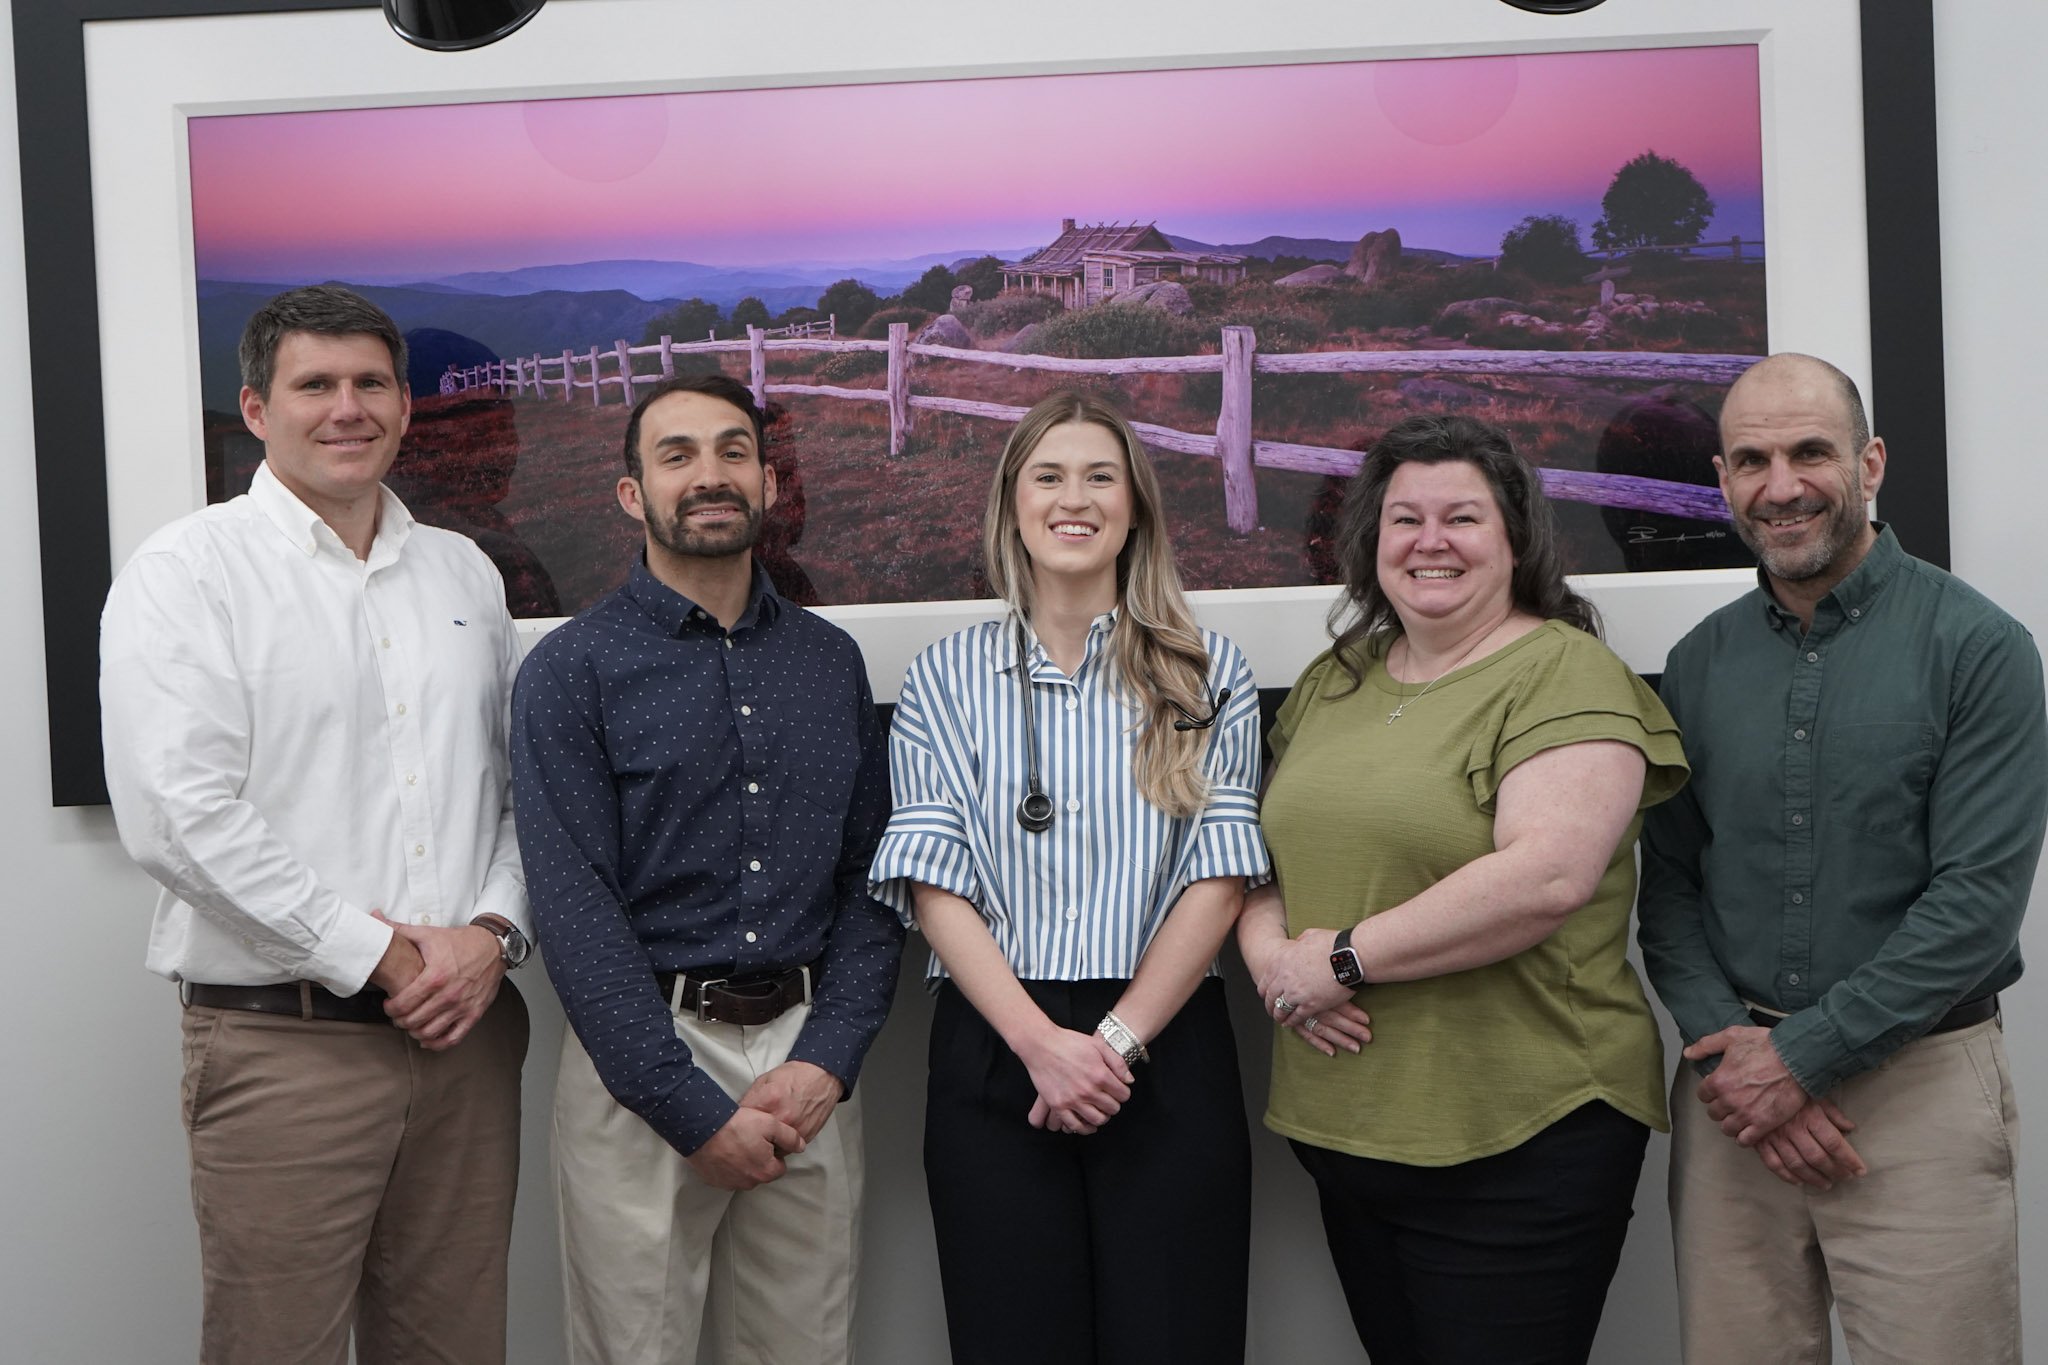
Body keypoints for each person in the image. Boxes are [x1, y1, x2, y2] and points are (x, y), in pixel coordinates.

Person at [100, 284, 533, 1365]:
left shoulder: (464, 574)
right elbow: (176, 816)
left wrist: (494, 934)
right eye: (315, 385)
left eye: (370, 383)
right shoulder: (184, 574)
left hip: (468, 1042)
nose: (348, 408)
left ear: (403, 405)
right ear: (256, 408)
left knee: (455, 1349)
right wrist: (380, 954)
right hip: (282, 1044)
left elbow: (523, 790)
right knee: (273, 1350)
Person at [1243, 413, 1689, 1365]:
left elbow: (1546, 876)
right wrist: (1279, 963)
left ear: (1517, 537)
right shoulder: (1338, 677)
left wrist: (1344, 959)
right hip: (1353, 1130)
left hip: (1521, 1134)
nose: (1430, 541)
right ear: (1371, 539)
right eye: (1405, 518)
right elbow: (1255, 856)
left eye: (1462, 517)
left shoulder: (1567, 673)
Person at [1636, 352, 2047, 1365]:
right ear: (1723, 482)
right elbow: (1670, 891)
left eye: (1808, 452)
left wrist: (1798, 1061)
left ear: (1867, 464)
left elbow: (1973, 907)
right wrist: (1740, 1060)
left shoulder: (1979, 649)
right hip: (1728, 1088)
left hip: (1918, 1089)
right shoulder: (1695, 664)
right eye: (1750, 460)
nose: (1780, 487)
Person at [869, 391, 1270, 1364]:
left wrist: (1115, 1044)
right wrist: (1039, 1047)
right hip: (996, 1048)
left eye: (1100, 476)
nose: (1072, 498)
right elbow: (935, 886)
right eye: (1047, 476)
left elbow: (1216, 880)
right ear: (1012, 502)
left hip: (1166, 1053)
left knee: (1175, 1338)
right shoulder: (944, 677)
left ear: (1135, 506)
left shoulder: (1207, 672)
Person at [511, 372, 902, 1364]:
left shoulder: (827, 663)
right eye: (675, 455)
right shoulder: (570, 672)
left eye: (733, 451)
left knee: (803, 1351)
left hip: (803, 1067)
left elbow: (870, 877)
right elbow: (573, 901)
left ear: (768, 483)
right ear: (631, 495)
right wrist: (683, 1105)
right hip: (635, 1065)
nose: (710, 475)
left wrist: (831, 1058)